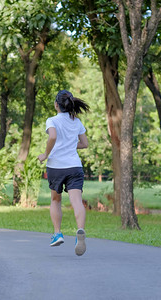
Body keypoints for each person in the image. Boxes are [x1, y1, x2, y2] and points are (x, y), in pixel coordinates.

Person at [38, 90, 90, 256]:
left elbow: (52, 136)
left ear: (56, 105)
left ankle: (57, 233)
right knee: (77, 201)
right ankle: (80, 230)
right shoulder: (76, 121)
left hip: (56, 167)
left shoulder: (52, 120)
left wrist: (45, 154)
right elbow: (84, 144)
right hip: (74, 166)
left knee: (55, 200)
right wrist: (68, 145)